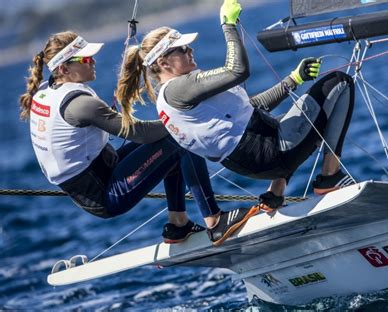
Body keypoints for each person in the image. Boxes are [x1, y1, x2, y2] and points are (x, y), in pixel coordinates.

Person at [19, 31, 258, 247]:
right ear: (63, 69)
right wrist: (184, 118)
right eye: (84, 59)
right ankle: (215, 222)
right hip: (104, 194)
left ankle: (178, 225)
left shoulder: (46, 89)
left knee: (171, 143)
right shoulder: (80, 105)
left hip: (100, 171)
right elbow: (140, 133)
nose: (92, 61)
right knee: (179, 139)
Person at [116, 0, 356, 212]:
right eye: (182, 48)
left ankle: (275, 193)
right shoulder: (179, 89)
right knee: (339, 83)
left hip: (255, 158)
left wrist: (293, 79)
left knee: (304, 115)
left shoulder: (173, 97)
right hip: (268, 152)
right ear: (163, 62)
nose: (190, 50)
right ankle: (329, 177)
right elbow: (237, 71)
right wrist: (228, 25)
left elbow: (251, 108)